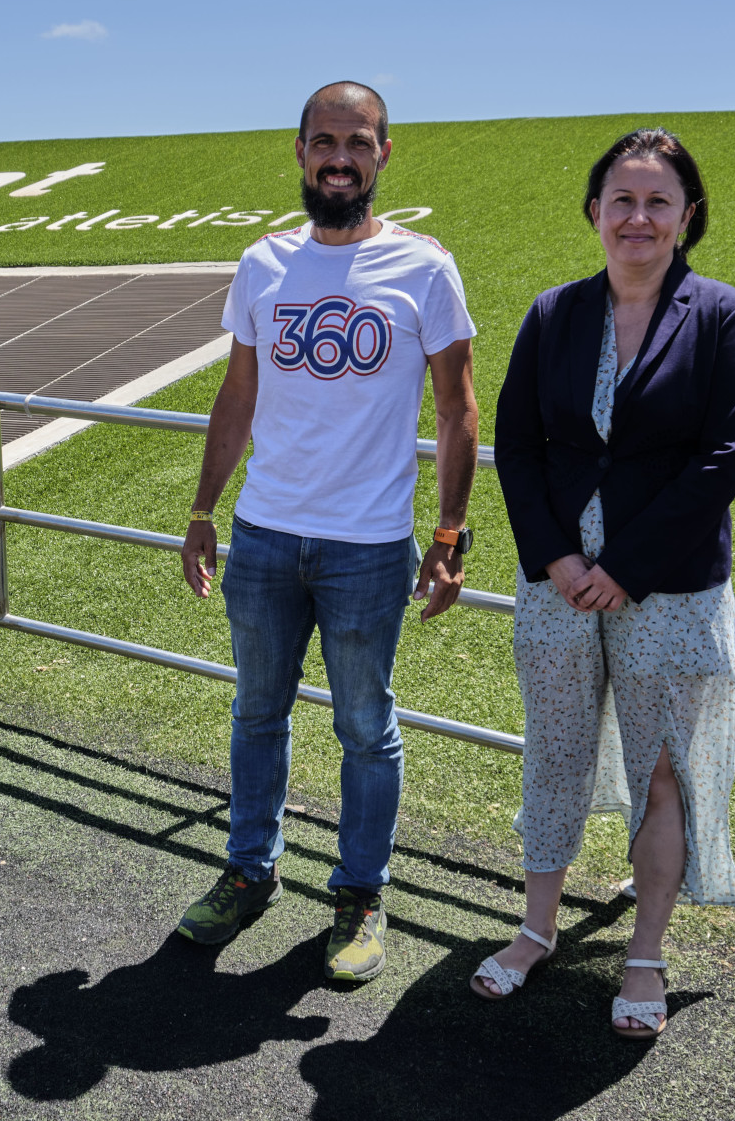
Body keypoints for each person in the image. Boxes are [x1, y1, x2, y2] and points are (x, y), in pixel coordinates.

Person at [174, 81, 481, 982]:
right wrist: (202, 511)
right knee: (256, 713)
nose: (338, 157)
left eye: (357, 141)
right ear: (300, 152)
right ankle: (248, 870)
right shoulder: (263, 263)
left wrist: (452, 532)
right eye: (322, 141)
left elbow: (458, 410)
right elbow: (238, 394)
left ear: (384, 155)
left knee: (364, 726)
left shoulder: (426, 268)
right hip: (265, 535)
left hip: (367, 546)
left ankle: (360, 893)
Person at [476, 129, 735, 1037]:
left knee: (666, 771)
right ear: (596, 212)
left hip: (669, 588)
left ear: (687, 218)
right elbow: (517, 445)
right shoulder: (554, 314)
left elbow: (725, 455)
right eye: (622, 200)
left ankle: (645, 955)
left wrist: (627, 569)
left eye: (658, 201)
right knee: (554, 749)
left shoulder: (721, 315)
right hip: (557, 583)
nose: (637, 217)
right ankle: (535, 930)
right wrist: (560, 557)